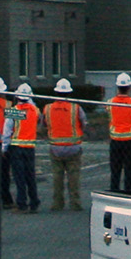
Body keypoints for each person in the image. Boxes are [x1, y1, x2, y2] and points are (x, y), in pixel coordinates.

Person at [45, 79, 86, 211]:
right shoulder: (76, 108)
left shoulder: (48, 108)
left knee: (57, 177)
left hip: (55, 147)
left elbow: (43, 124)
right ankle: (75, 203)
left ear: (56, 92)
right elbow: (84, 123)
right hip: (73, 147)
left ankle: (57, 203)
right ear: (68, 93)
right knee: (73, 176)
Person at [3, 82, 42, 213]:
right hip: (30, 147)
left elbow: (7, 131)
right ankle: (34, 202)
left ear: (17, 97)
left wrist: (4, 148)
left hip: (16, 147)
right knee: (30, 176)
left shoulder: (14, 111)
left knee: (19, 177)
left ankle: (21, 204)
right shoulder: (35, 110)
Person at [106, 73, 131, 193]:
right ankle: (129, 194)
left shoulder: (110, 102)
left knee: (115, 172)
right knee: (130, 172)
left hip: (115, 141)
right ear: (129, 87)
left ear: (117, 87)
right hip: (130, 141)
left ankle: (115, 194)